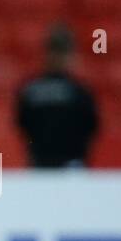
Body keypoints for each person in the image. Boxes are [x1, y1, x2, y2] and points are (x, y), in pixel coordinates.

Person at [16, 23, 100, 169]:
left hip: (62, 163)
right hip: (48, 164)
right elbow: (91, 125)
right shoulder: (78, 90)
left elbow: (22, 123)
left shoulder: (31, 90)